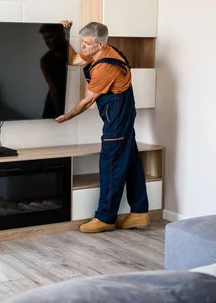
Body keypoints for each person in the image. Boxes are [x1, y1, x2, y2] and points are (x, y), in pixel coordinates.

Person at [55, 20, 150, 233]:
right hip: (121, 116)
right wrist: (66, 34)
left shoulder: (105, 67)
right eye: (82, 42)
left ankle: (105, 218)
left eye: (87, 43)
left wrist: (67, 116)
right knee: (131, 162)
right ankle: (139, 212)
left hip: (116, 121)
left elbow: (88, 101)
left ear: (99, 45)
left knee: (110, 165)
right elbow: (72, 59)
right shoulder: (102, 51)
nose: (83, 47)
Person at [38, 23, 68, 118]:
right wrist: (60, 112)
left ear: (61, 34)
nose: (47, 42)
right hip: (56, 98)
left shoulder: (74, 51)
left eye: (50, 37)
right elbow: (52, 88)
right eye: (45, 39)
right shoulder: (45, 60)